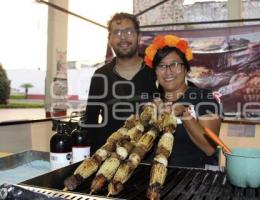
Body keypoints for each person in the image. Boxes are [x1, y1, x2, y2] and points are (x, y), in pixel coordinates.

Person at [144, 34, 222, 167]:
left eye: (174, 64)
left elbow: (209, 148)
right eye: (161, 66)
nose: (168, 72)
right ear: (155, 71)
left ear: (185, 68)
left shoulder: (204, 98)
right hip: (152, 178)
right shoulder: (150, 101)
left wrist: (184, 115)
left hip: (192, 181)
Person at [84, 12, 157, 154]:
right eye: (116, 33)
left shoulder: (157, 72)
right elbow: (90, 122)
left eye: (129, 31)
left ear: (139, 37)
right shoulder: (100, 75)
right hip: (109, 158)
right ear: (109, 39)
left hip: (148, 158)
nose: (123, 37)